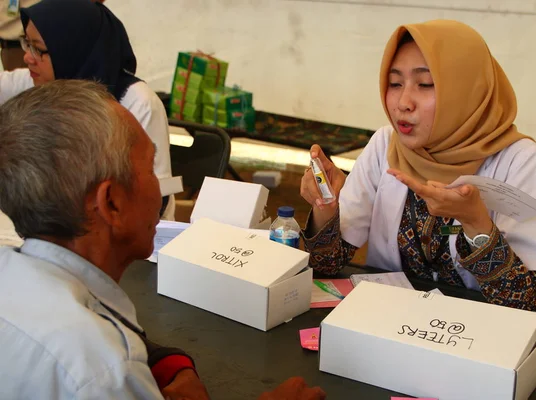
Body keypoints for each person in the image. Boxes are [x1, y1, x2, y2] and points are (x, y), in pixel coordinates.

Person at [0, 80, 326, 400]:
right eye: (149, 168)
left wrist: (166, 363)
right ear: (112, 203)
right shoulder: (107, 375)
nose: (160, 189)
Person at [300, 20, 536, 310]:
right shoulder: (386, 144)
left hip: (469, 332)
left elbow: (518, 300)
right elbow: (327, 264)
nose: (403, 102)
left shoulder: (518, 159)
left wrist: (475, 222)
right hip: (386, 318)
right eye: (394, 84)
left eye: (426, 84)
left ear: (467, 90)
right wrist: (326, 208)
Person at [0, 0, 176, 219]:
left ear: (71, 49)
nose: (27, 57)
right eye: (27, 44)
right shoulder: (39, 83)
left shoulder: (136, 102)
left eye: (38, 49)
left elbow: (154, 198)